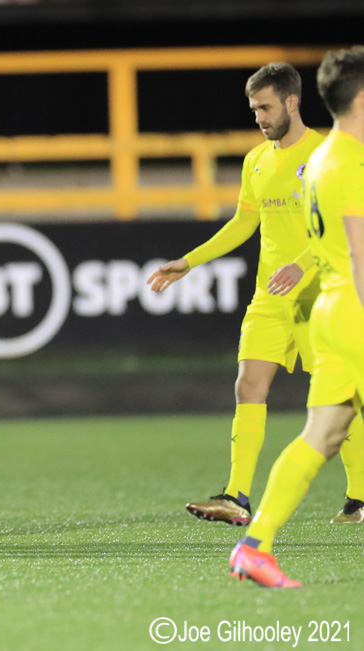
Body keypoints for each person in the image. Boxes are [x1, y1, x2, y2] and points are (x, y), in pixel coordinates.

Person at [146, 62, 364, 526]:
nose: (259, 118)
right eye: (253, 110)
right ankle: (237, 495)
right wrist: (190, 260)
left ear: (292, 102)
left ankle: (359, 497)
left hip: (318, 296)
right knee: (248, 385)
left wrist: (302, 264)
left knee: (337, 402)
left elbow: (345, 226)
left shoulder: (328, 155)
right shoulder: (256, 160)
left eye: (265, 107)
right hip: (270, 298)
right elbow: (244, 222)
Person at [228, 47, 364, 587]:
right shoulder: (347, 161)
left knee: (323, 433)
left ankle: (254, 546)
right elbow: (358, 253)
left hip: (329, 311)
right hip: (352, 309)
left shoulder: (323, 160)